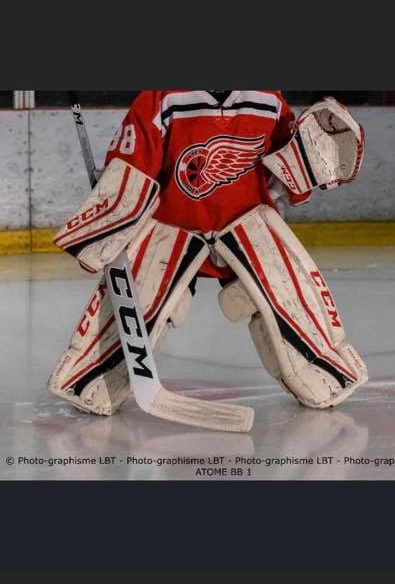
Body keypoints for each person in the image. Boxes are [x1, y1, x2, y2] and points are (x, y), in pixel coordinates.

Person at [48, 90, 368, 416]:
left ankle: (322, 373)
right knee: (141, 305)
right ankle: (91, 378)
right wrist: (112, 217)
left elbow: (290, 169)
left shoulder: (268, 100)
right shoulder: (160, 98)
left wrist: (314, 160)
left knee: (282, 299)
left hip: (247, 228)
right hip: (172, 230)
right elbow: (131, 167)